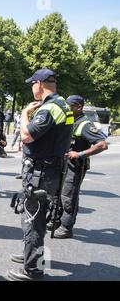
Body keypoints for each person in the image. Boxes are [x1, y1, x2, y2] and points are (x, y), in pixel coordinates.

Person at [7, 69, 74, 281]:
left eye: (32, 85)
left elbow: (26, 136)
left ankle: (33, 270)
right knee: (36, 217)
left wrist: (24, 113)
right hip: (49, 170)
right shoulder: (63, 104)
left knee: (32, 219)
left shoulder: (50, 108)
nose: (31, 89)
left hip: (40, 172)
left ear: (39, 84)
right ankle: (31, 255)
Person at [52, 95, 108, 238]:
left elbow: (102, 144)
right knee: (58, 193)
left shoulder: (85, 124)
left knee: (69, 197)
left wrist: (81, 153)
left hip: (75, 166)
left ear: (78, 107)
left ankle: (66, 227)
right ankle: (57, 221)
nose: (66, 109)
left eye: (69, 106)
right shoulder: (71, 121)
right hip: (64, 164)